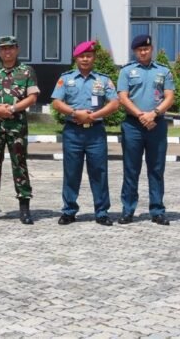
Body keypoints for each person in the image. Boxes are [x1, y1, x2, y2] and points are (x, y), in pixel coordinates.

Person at [50, 40, 119, 227]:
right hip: (72, 132)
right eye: (82, 56)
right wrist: (75, 113)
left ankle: (102, 212)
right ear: (76, 58)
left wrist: (93, 116)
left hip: (96, 132)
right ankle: (69, 211)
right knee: (71, 172)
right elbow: (56, 102)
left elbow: (114, 103)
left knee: (99, 172)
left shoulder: (103, 80)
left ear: (94, 57)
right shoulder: (66, 78)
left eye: (89, 56)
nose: (85, 59)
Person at [0, 35, 39, 224]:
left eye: (10, 48)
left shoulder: (26, 71)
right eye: (3, 48)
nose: (7, 51)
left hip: (17, 125)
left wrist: (12, 108)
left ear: (17, 49)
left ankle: (24, 208)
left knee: (19, 165)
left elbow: (32, 97)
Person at [117, 35, 175, 226]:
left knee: (156, 169)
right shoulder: (127, 71)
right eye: (140, 49)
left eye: (146, 49)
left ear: (151, 49)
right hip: (133, 125)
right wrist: (142, 115)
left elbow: (169, 97)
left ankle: (157, 211)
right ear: (135, 51)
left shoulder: (163, 71)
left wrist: (154, 113)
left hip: (156, 124)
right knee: (131, 169)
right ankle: (128, 210)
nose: (143, 52)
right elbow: (123, 97)